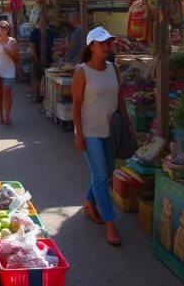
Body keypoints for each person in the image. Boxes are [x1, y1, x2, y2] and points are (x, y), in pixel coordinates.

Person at [71, 26, 132, 247]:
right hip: (90, 130)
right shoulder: (82, 71)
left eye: (108, 43)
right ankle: (109, 223)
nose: (106, 47)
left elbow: (120, 97)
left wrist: (127, 121)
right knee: (100, 175)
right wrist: (78, 134)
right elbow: (76, 105)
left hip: (110, 129)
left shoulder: (113, 68)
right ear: (91, 46)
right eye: (101, 44)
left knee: (104, 173)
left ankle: (89, 202)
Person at [29, 16, 58, 98]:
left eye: (44, 23)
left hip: (48, 56)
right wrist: (36, 57)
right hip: (38, 56)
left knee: (48, 76)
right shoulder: (35, 32)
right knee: (37, 76)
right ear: (38, 23)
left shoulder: (50, 32)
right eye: (41, 22)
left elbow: (54, 44)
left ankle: (47, 95)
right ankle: (36, 94)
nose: (43, 24)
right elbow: (32, 45)